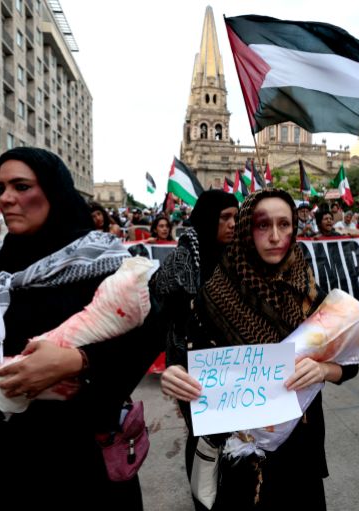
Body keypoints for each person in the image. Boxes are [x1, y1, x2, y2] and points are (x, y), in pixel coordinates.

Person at [0, 147, 158, 511]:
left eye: (21, 186)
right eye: (1, 186)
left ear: (54, 190)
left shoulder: (107, 265)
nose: (5, 198)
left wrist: (79, 361)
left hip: (80, 460)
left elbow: (147, 340)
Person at [161, 189, 358, 510]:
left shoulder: (310, 293)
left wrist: (325, 370)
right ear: (245, 229)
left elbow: (350, 363)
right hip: (237, 460)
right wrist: (175, 377)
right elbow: (183, 361)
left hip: (299, 456)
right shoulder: (211, 297)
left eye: (285, 224)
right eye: (263, 225)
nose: (275, 236)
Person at [150, 190, 238, 509]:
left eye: (236, 217)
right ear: (206, 218)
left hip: (235, 365)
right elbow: (162, 316)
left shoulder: (240, 258)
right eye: (224, 217)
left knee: (233, 436)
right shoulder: (181, 260)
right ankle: (203, 498)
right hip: (193, 368)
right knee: (202, 435)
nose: (232, 224)